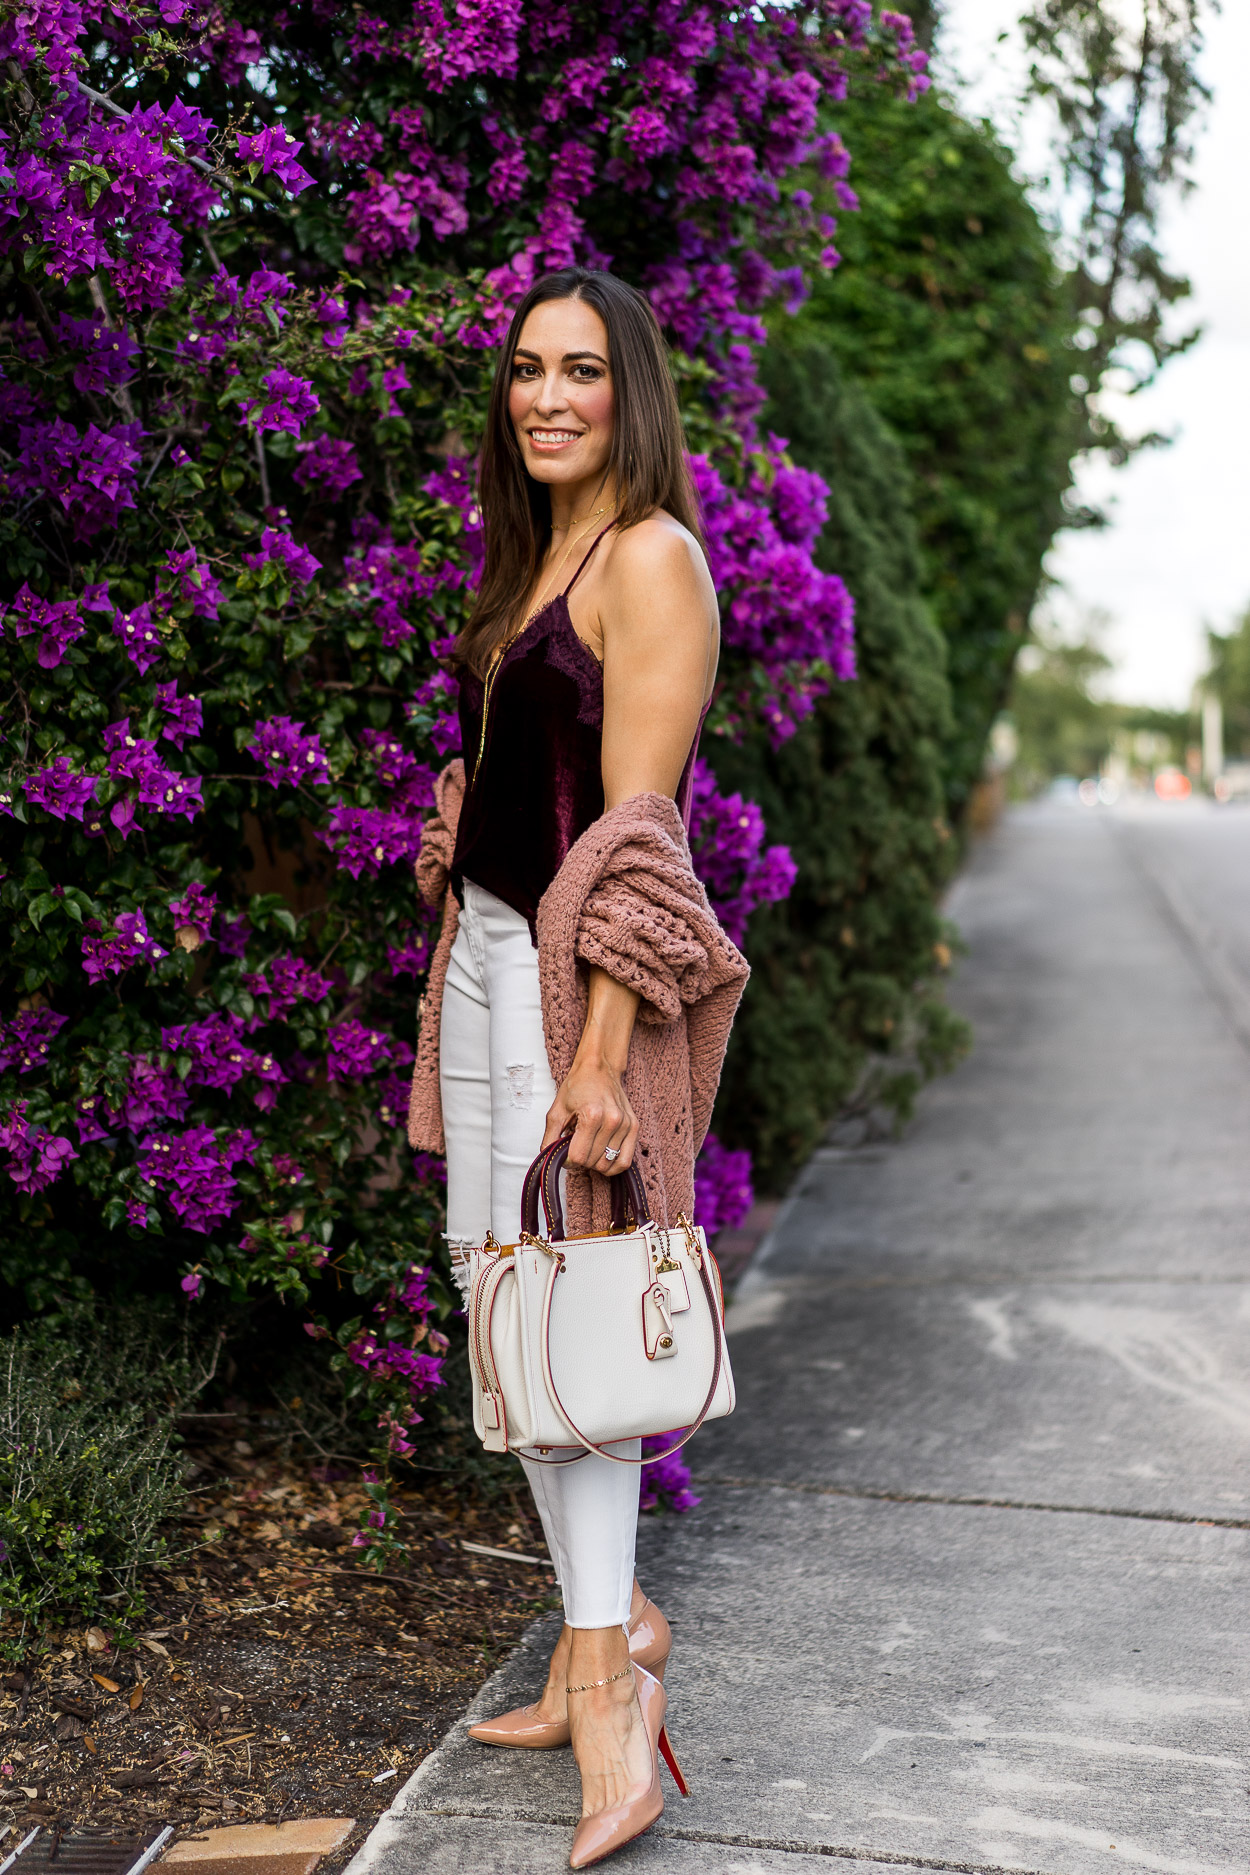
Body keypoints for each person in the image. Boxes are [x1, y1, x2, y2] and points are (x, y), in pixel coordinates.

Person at [407, 266, 746, 1868]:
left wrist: (602, 1060)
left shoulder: (653, 559)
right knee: (507, 1293)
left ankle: (614, 1688)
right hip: (480, 961)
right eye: (527, 371)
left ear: (633, 393)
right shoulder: (543, 553)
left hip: (560, 1000)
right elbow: (544, 790)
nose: (545, 397)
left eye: (581, 373)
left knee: (571, 1301)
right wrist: (460, 829)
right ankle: (594, 1628)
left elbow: (634, 847)